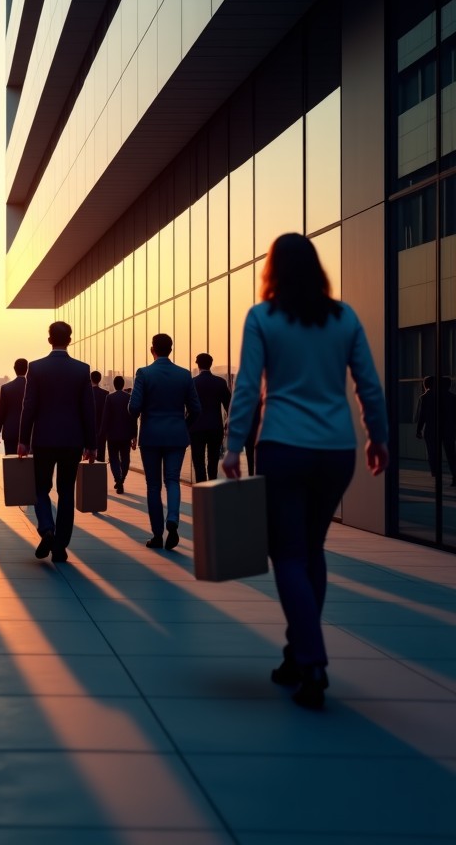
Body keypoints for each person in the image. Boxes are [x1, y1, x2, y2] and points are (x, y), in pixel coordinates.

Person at [223, 233, 388, 711]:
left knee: (289, 555)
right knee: (311, 549)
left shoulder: (263, 317)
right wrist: (378, 438)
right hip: (337, 449)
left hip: (283, 446)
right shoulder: (345, 317)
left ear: (272, 271)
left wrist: (234, 445)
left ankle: (311, 660)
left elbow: (248, 386)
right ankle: (297, 655)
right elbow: (369, 386)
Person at [18, 321, 96, 563]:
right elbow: (88, 409)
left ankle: (46, 528)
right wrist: (91, 444)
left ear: (49, 339)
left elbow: (28, 406)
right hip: (72, 440)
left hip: (43, 439)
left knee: (41, 488)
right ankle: (60, 547)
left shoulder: (37, 368)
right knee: (66, 492)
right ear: (70, 339)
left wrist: (23, 440)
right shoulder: (81, 370)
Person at [128, 333, 201, 551]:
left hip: (151, 435)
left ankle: (157, 534)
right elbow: (196, 409)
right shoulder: (184, 375)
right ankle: (174, 520)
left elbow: (133, 408)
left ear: (152, 349)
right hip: (176, 435)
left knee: (153, 486)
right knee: (172, 480)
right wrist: (183, 425)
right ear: (171, 349)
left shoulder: (144, 373)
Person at [190, 353, 231, 482]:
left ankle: (201, 487)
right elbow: (229, 405)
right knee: (213, 460)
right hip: (215, 427)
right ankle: (212, 484)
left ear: (198, 364)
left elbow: (186, 406)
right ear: (211, 364)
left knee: (198, 460)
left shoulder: (192, 383)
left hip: (196, 427)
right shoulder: (220, 382)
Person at [414, 375, 456, 486]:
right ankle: (455, 476)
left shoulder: (425, 397)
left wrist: (419, 430)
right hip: (448, 430)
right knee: (451, 454)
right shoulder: (452, 397)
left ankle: (436, 474)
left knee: (433, 454)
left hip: (431, 430)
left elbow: (422, 416)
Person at [98, 374, 137, 494]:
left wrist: (102, 435)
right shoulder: (129, 398)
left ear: (114, 385)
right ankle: (121, 480)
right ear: (123, 384)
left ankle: (118, 479)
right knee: (125, 459)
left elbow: (105, 418)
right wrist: (135, 436)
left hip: (112, 434)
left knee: (113, 458)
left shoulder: (110, 398)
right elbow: (133, 418)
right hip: (126, 435)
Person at [0, 358, 28, 454]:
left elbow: (0, 413)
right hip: (29, 433)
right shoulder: (31, 387)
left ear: (14, 368)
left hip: (10, 432)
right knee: (29, 465)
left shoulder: (6, 388)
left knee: (11, 463)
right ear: (27, 369)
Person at [90, 370, 109, 463]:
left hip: (89, 428)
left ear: (90, 379)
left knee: (88, 455)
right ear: (100, 379)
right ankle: (100, 475)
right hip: (102, 428)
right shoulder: (106, 394)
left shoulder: (87, 393)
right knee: (101, 454)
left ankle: (88, 476)